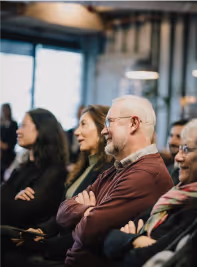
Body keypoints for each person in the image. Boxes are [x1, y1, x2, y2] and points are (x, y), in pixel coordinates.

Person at [56, 95, 173, 267]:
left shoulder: (145, 173)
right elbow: (61, 213)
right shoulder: (120, 167)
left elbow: (87, 231)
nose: (104, 130)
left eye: (110, 122)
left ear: (133, 124)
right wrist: (88, 211)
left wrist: (82, 214)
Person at [2, 105, 114, 267]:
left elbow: (87, 225)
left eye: (83, 124)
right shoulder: (82, 168)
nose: (76, 132)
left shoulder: (105, 172)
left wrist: (46, 242)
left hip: (66, 248)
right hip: (54, 238)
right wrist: (42, 230)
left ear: (102, 130)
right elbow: (62, 212)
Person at [103, 118, 197, 267]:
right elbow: (108, 237)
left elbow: (136, 259)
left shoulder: (190, 205)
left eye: (185, 149)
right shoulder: (175, 194)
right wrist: (134, 240)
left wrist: (131, 239)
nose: (178, 158)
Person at [0, 108, 68, 228]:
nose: (18, 131)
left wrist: (11, 197)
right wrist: (14, 197)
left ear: (41, 129)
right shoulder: (24, 165)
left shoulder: (54, 171)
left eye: (23, 126)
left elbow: (23, 212)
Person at [167, 119, 188, 185]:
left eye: (178, 137)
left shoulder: (190, 175)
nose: (172, 142)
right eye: (171, 136)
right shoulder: (166, 170)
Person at [0, 103, 17, 181]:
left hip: (9, 155)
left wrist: (4, 145)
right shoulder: (0, 124)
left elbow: (14, 141)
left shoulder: (13, 124)